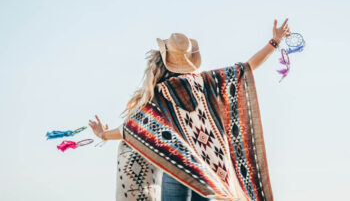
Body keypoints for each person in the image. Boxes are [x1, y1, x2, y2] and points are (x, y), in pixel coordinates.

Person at [89, 18, 291, 201]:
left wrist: (104, 135)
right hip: (209, 175)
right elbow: (246, 68)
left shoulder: (161, 95)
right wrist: (274, 42)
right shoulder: (206, 84)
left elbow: (134, 129)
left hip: (177, 169)